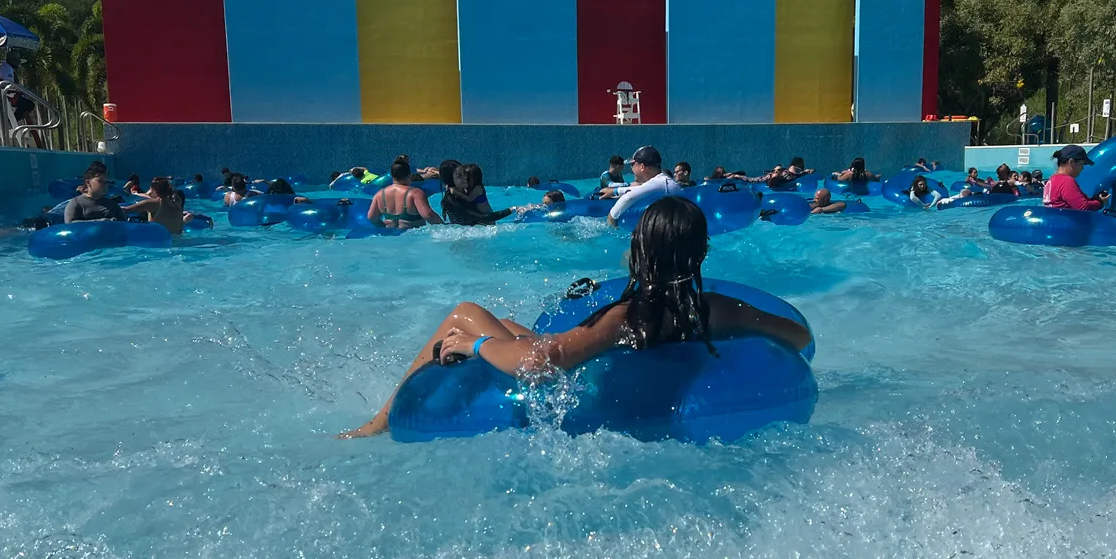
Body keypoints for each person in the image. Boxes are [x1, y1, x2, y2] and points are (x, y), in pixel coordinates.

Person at [337, 197, 812, 439]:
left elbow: (546, 361)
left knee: (466, 316)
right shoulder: (717, 310)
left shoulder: (629, 315)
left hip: (568, 370)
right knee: (508, 321)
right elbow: (797, 336)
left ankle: (379, 422)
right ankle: (379, 419)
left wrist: (476, 347)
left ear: (640, 250)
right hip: (583, 352)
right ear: (701, 252)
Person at [604, 146, 684, 227]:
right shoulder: (662, 181)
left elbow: (628, 197)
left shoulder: (659, 183)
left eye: (632, 164)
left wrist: (611, 217)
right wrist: (615, 191)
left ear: (642, 167)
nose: (631, 168)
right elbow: (642, 188)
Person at [369, 157, 442, 229]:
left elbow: (371, 217)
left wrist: (383, 227)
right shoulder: (415, 193)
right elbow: (429, 215)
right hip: (413, 237)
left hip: (391, 235)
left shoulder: (379, 194)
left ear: (391, 175)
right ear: (409, 175)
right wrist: (445, 226)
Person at [1043, 145, 1107, 211]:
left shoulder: (1052, 179)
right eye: (1081, 164)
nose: (1082, 168)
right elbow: (1083, 207)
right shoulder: (1066, 181)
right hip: (1065, 220)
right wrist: (1100, 203)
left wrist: (1093, 199)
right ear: (1071, 162)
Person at [442, 163, 511, 225]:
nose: (465, 177)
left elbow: (470, 200)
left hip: (487, 218)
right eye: (460, 175)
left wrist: (511, 210)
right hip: (482, 221)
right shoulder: (451, 199)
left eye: (466, 175)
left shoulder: (477, 188)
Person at [122, 176, 187, 234]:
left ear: (153, 190)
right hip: (178, 244)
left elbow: (126, 210)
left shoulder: (153, 204)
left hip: (159, 243)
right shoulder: (177, 205)